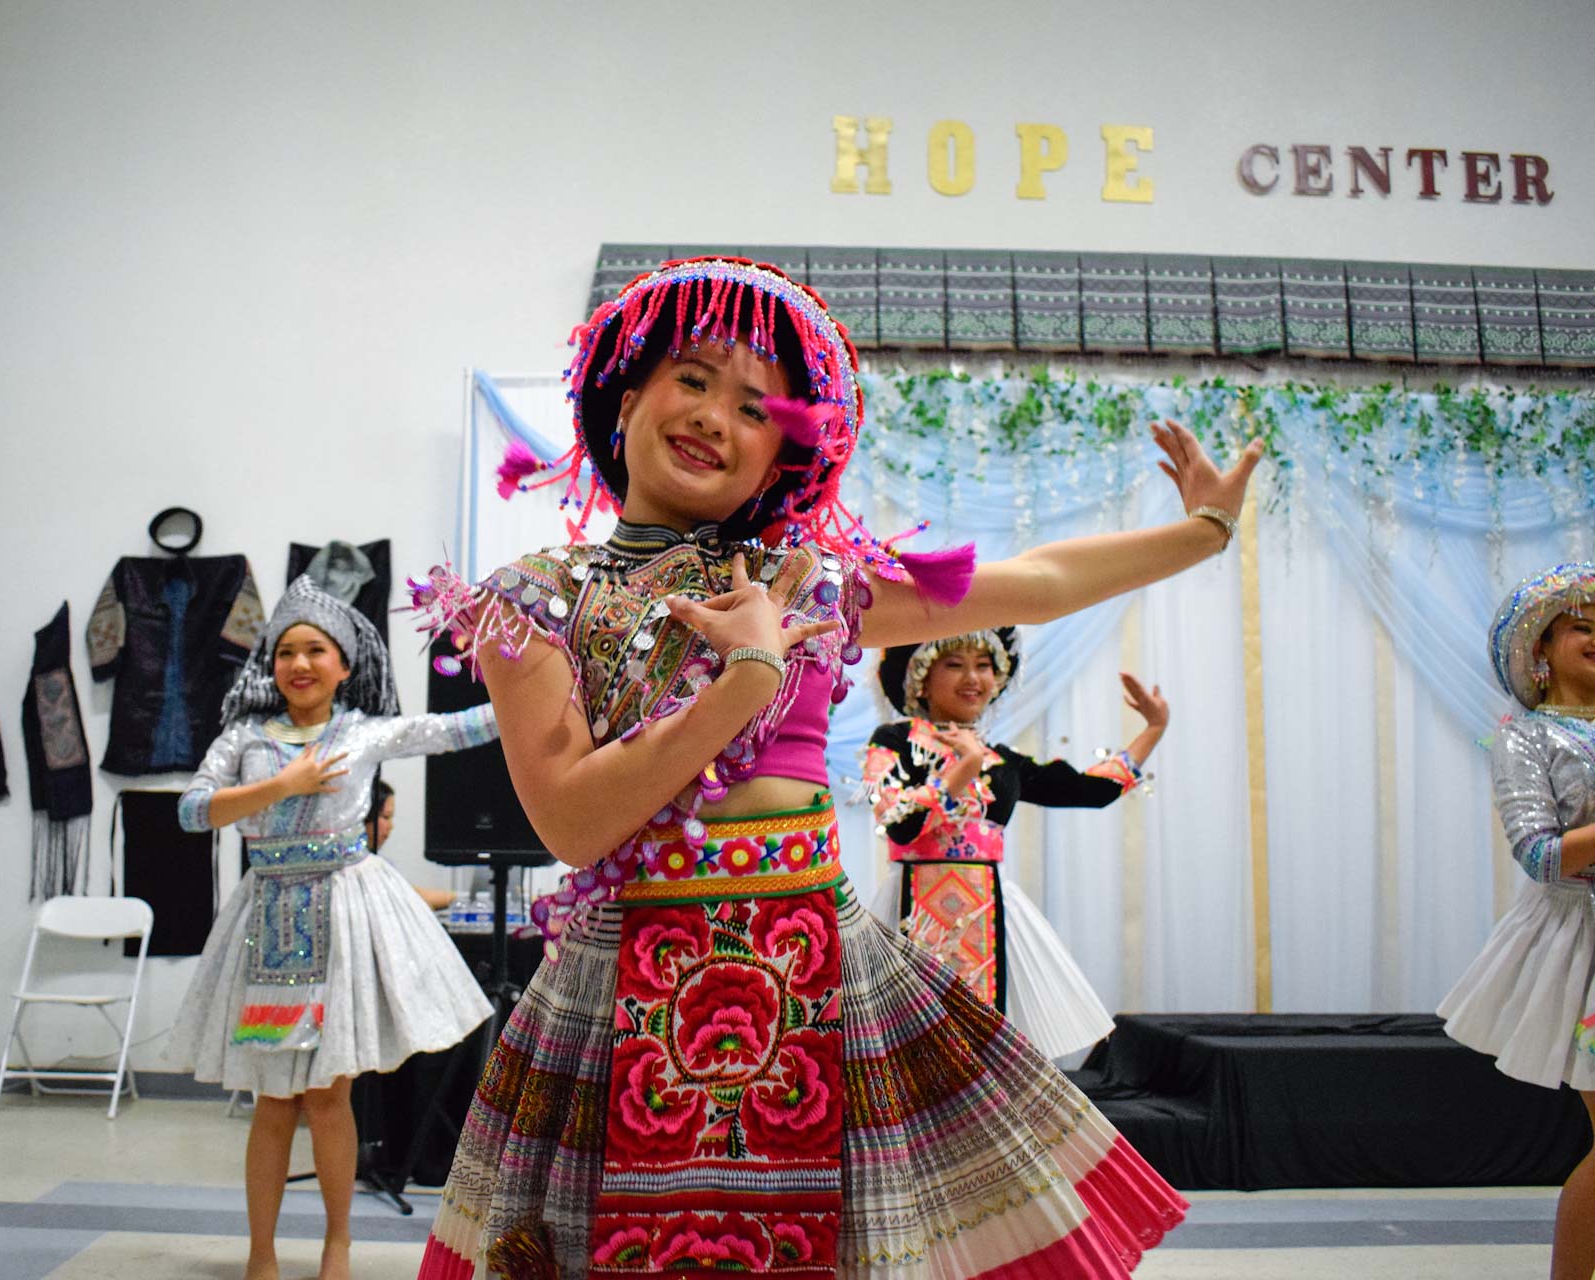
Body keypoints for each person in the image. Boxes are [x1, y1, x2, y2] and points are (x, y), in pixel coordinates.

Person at [410, 256, 1261, 1278]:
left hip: (821, 962)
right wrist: (744, 680)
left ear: (781, 457)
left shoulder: (803, 579)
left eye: (756, 405)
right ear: (626, 397)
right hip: (621, 971)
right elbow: (574, 824)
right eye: (693, 378)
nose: (716, 416)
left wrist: (1202, 534)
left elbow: (1031, 584)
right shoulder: (532, 597)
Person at [170, 575, 498, 1280]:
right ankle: (261, 1253)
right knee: (272, 1101)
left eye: (315, 650)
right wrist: (277, 788)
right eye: (286, 651)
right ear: (272, 665)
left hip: (344, 917)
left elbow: (454, 730)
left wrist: (533, 690)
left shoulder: (363, 732)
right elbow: (192, 812)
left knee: (328, 1096)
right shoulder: (244, 738)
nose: (299, 663)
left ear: (344, 665)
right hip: (267, 924)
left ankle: (337, 1245)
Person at [865, 630, 1167, 1058]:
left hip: (990, 911)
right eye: (955, 664)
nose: (973, 677)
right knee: (910, 1040)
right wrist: (964, 767)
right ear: (921, 680)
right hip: (913, 908)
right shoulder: (895, 741)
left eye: (983, 665)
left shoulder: (1000, 758)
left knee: (988, 1042)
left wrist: (1153, 729)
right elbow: (898, 822)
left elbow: (1088, 790)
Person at [1438, 563, 1595, 1280]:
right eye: (1582, 627)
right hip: (1582, 938)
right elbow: (1539, 854)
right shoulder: (1527, 737)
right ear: (1542, 650)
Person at [366, 777, 454, 911]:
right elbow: (418, 898)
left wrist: (461, 898)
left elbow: (415, 894)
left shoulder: (383, 864)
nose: (391, 826)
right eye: (386, 817)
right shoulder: (363, 868)